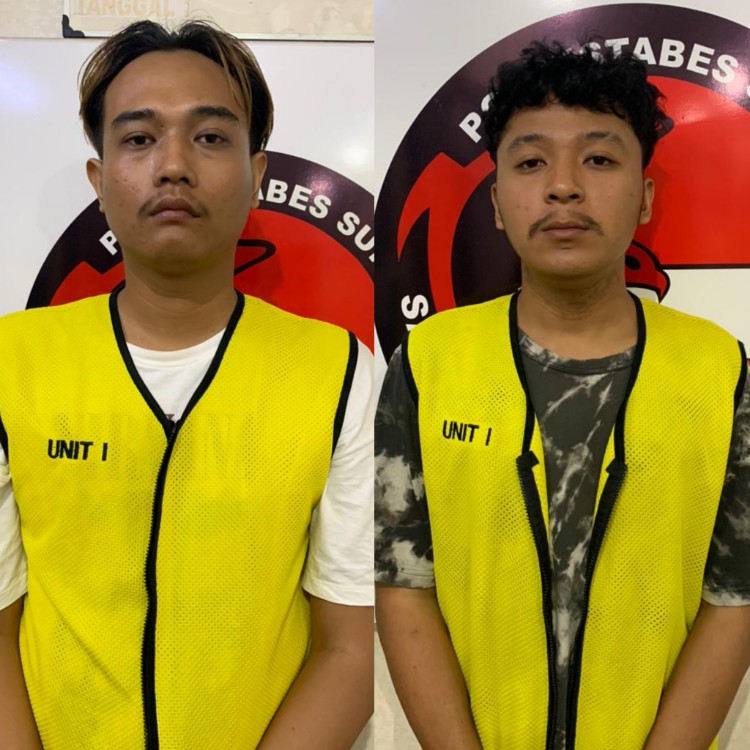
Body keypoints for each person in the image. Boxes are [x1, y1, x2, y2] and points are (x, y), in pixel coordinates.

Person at [0, 20, 373, 750]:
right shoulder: (13, 362)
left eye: (208, 137)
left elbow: (349, 648)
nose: (173, 165)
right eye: (140, 138)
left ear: (257, 175)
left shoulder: (338, 370)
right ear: (99, 180)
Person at [375, 41, 750, 750]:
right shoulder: (428, 362)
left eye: (599, 159)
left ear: (645, 197)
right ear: (496, 202)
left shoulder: (720, 370)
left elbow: (733, 598)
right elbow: (403, 585)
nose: (564, 187)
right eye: (530, 162)